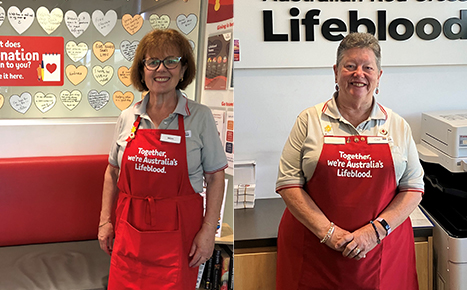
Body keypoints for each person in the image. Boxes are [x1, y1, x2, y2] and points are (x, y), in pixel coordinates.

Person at [275, 32, 424, 290]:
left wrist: (375, 231)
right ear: (336, 72)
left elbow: (413, 188)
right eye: (350, 66)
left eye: (368, 67)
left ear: (379, 76)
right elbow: (288, 183)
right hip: (315, 252)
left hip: (382, 251)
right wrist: (330, 234)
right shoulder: (309, 120)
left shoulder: (397, 125)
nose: (359, 74)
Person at [98, 29, 227, 289]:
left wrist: (208, 232)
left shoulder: (199, 117)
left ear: (183, 69)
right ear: (142, 69)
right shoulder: (128, 117)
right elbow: (112, 173)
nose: (161, 69)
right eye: (153, 61)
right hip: (129, 230)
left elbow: (215, 177)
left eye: (171, 61)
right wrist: (105, 221)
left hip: (179, 235)